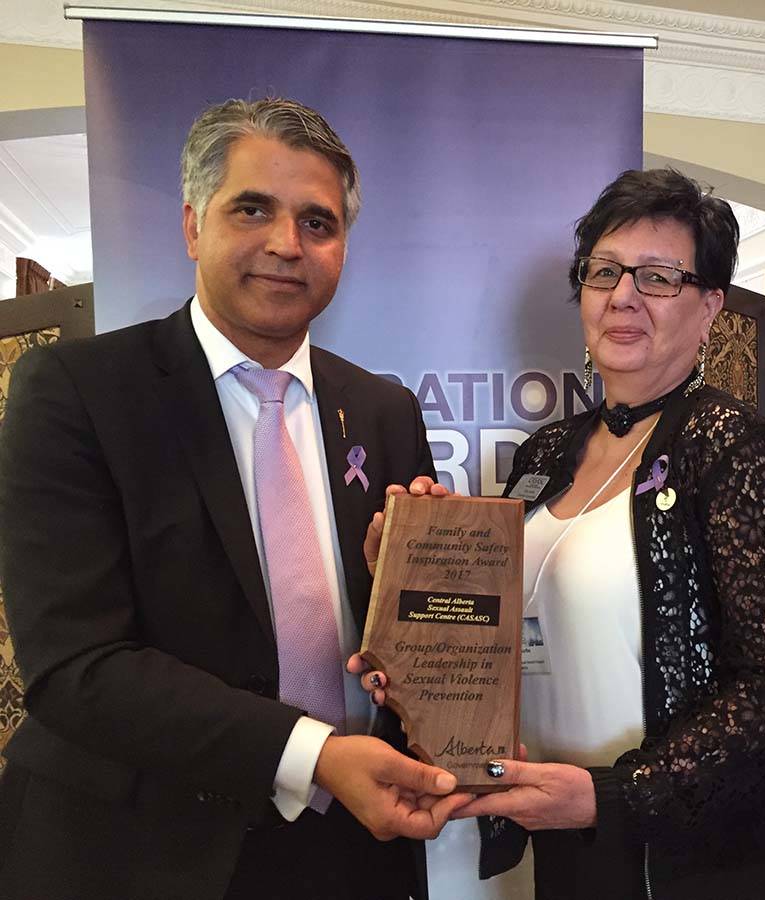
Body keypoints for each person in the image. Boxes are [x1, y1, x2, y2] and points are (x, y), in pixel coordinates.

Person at [0, 98, 468, 900]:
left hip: (355, 849)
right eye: (253, 209)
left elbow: (403, 648)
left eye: (318, 223)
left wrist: (412, 595)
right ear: (192, 224)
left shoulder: (385, 410)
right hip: (140, 853)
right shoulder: (74, 392)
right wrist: (313, 754)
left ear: (343, 247)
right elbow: (76, 666)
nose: (288, 244)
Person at [359, 168, 765, 900]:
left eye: (659, 277)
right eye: (605, 272)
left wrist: (616, 795)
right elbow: (500, 634)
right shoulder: (547, 451)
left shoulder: (730, 447)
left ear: (709, 309)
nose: (624, 295)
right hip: (560, 838)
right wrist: (411, 582)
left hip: (689, 861)